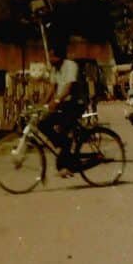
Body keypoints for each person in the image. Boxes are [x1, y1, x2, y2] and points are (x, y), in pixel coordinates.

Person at [37, 44, 87, 177]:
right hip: (64, 104)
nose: (49, 59)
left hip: (76, 104)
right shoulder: (55, 69)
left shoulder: (71, 66)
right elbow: (52, 88)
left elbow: (68, 88)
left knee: (64, 129)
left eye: (52, 56)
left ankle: (65, 165)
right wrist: (42, 104)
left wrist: (56, 101)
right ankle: (62, 146)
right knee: (42, 123)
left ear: (59, 57)